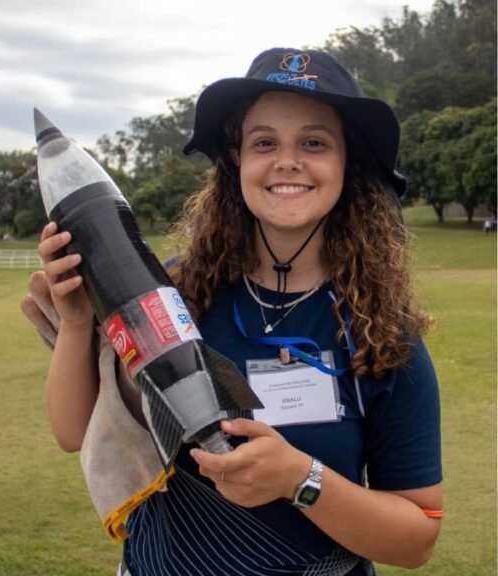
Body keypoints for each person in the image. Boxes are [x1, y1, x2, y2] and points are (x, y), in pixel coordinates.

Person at [25, 48, 441, 575]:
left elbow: (417, 538)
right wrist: (81, 321)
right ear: (237, 161)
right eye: (264, 141)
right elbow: (75, 432)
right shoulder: (170, 295)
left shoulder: (380, 331)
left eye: (314, 142)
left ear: (346, 164)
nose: (287, 160)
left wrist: (300, 479)